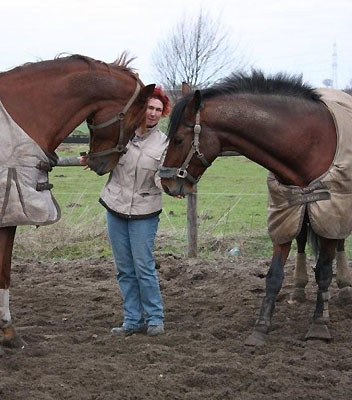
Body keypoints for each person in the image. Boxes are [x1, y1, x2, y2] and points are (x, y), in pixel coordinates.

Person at [99, 87, 171, 337]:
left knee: (143, 266)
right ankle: (132, 320)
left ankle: (154, 318)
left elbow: (161, 177)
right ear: (142, 108)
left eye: (158, 110)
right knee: (124, 268)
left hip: (145, 211)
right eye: (150, 108)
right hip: (115, 206)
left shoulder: (164, 143)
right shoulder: (123, 134)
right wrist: (93, 160)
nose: (152, 113)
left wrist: (172, 188)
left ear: (163, 114)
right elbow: (104, 157)